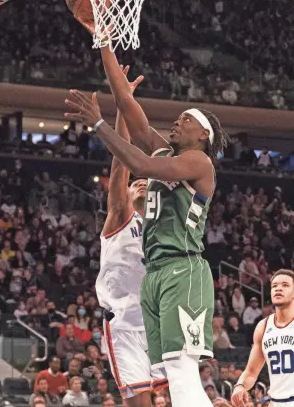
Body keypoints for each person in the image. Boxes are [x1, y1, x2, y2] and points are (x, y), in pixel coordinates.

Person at [65, 35, 228, 406]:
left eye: (186, 120)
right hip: (154, 276)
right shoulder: (166, 151)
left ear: (203, 135)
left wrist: (98, 126)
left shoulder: (199, 163)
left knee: (184, 374)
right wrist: (103, 39)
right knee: (173, 372)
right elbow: (126, 104)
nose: (177, 121)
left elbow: (137, 164)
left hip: (182, 269)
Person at [96, 67, 167, 406]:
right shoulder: (120, 218)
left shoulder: (161, 227)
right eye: (134, 182)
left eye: (146, 182)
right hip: (123, 324)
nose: (141, 181)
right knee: (139, 403)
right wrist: (124, 104)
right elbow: (120, 166)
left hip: (156, 323)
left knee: (173, 397)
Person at [231, 269, 294, 407]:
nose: (278, 289)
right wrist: (240, 386)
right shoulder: (263, 326)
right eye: (274, 286)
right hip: (276, 402)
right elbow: (252, 371)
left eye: (285, 285)